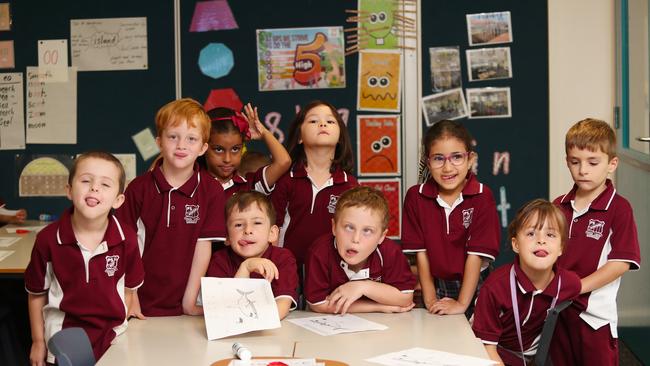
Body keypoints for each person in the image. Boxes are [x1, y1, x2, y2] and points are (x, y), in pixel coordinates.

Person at [24, 151, 144, 364]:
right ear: (69, 190)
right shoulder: (47, 240)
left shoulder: (128, 239)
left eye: (105, 185)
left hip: (112, 337)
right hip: (63, 336)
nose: (95, 188)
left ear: (118, 200)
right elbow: (36, 294)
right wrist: (38, 342)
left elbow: (129, 290)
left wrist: (122, 319)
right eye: (86, 180)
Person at [116, 98, 226, 317]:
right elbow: (124, 246)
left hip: (184, 302)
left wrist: (188, 302)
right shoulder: (139, 188)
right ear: (159, 142)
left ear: (203, 147)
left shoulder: (211, 191)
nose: (181, 145)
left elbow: (202, 248)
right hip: (136, 301)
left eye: (191, 139)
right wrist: (131, 294)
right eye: (173, 137)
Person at [550, 118, 641, 365]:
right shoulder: (558, 205)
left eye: (593, 162)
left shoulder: (620, 209)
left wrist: (577, 287)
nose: (583, 170)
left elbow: (621, 263)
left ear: (612, 164)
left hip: (595, 319)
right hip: (558, 311)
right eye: (575, 162)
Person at [401, 120, 500, 317]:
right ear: (428, 162)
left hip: (477, 282)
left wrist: (462, 304)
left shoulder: (482, 196)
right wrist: (430, 300)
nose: (448, 168)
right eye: (439, 159)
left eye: (456, 157)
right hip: (436, 284)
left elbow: (475, 256)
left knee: (474, 340)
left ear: (470, 159)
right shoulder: (416, 197)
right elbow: (422, 254)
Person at [472, 199, 581, 365]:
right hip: (489, 351)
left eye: (550, 235)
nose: (541, 240)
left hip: (533, 356)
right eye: (531, 234)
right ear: (516, 244)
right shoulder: (495, 288)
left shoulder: (570, 284)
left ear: (561, 248)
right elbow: (487, 349)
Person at [271, 100, 357, 266]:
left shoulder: (350, 185)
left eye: (330, 121)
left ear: (340, 137)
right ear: (299, 137)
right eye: (313, 121)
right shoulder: (285, 180)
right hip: (288, 269)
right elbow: (273, 228)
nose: (323, 124)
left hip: (332, 271)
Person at [305, 186, 416, 314]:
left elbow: (405, 298)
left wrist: (362, 287)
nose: (356, 239)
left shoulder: (390, 252)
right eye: (349, 227)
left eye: (367, 231)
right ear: (334, 227)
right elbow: (318, 304)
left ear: (381, 236)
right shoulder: (320, 252)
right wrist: (378, 307)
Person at [206, 191, 298, 319]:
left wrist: (257, 323)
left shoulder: (283, 259)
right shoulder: (219, 261)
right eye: (238, 225)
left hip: (271, 329)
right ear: (226, 236)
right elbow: (224, 309)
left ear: (272, 233)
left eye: (257, 223)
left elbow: (282, 305)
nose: (247, 230)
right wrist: (246, 268)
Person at [203, 103, 291, 197]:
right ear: (203, 147)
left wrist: (264, 133)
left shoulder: (249, 186)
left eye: (235, 149)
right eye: (219, 150)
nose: (227, 159)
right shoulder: (194, 181)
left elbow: (284, 162)